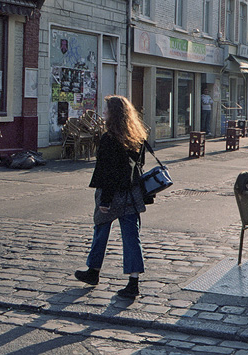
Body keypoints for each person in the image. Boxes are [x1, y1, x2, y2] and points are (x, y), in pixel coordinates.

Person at [76, 95, 150, 299]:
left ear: (114, 114)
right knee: (131, 237)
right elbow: (139, 164)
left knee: (100, 232)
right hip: (131, 194)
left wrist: (105, 201)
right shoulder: (137, 136)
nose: (104, 113)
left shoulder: (109, 139)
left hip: (112, 194)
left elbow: (106, 172)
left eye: (107, 110)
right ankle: (133, 282)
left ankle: (93, 271)